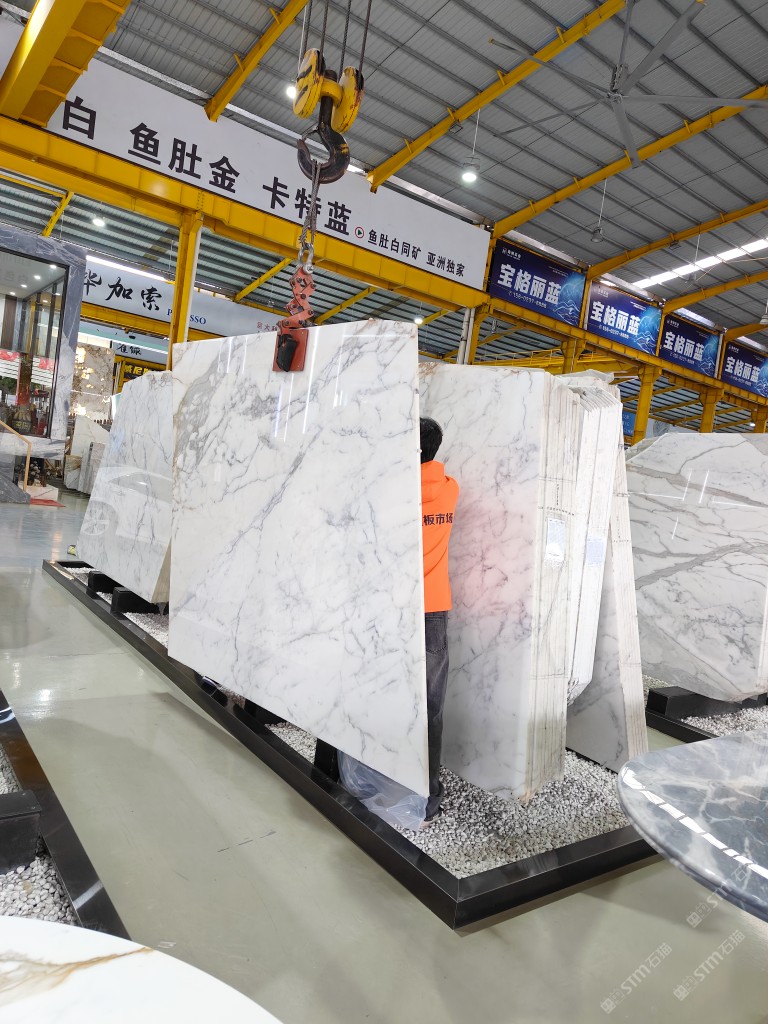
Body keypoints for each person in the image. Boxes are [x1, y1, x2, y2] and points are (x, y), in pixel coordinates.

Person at [419, 417, 459, 824]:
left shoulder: (394, 493)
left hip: (396, 607)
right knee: (430, 705)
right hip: (434, 609)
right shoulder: (450, 489)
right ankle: (428, 799)